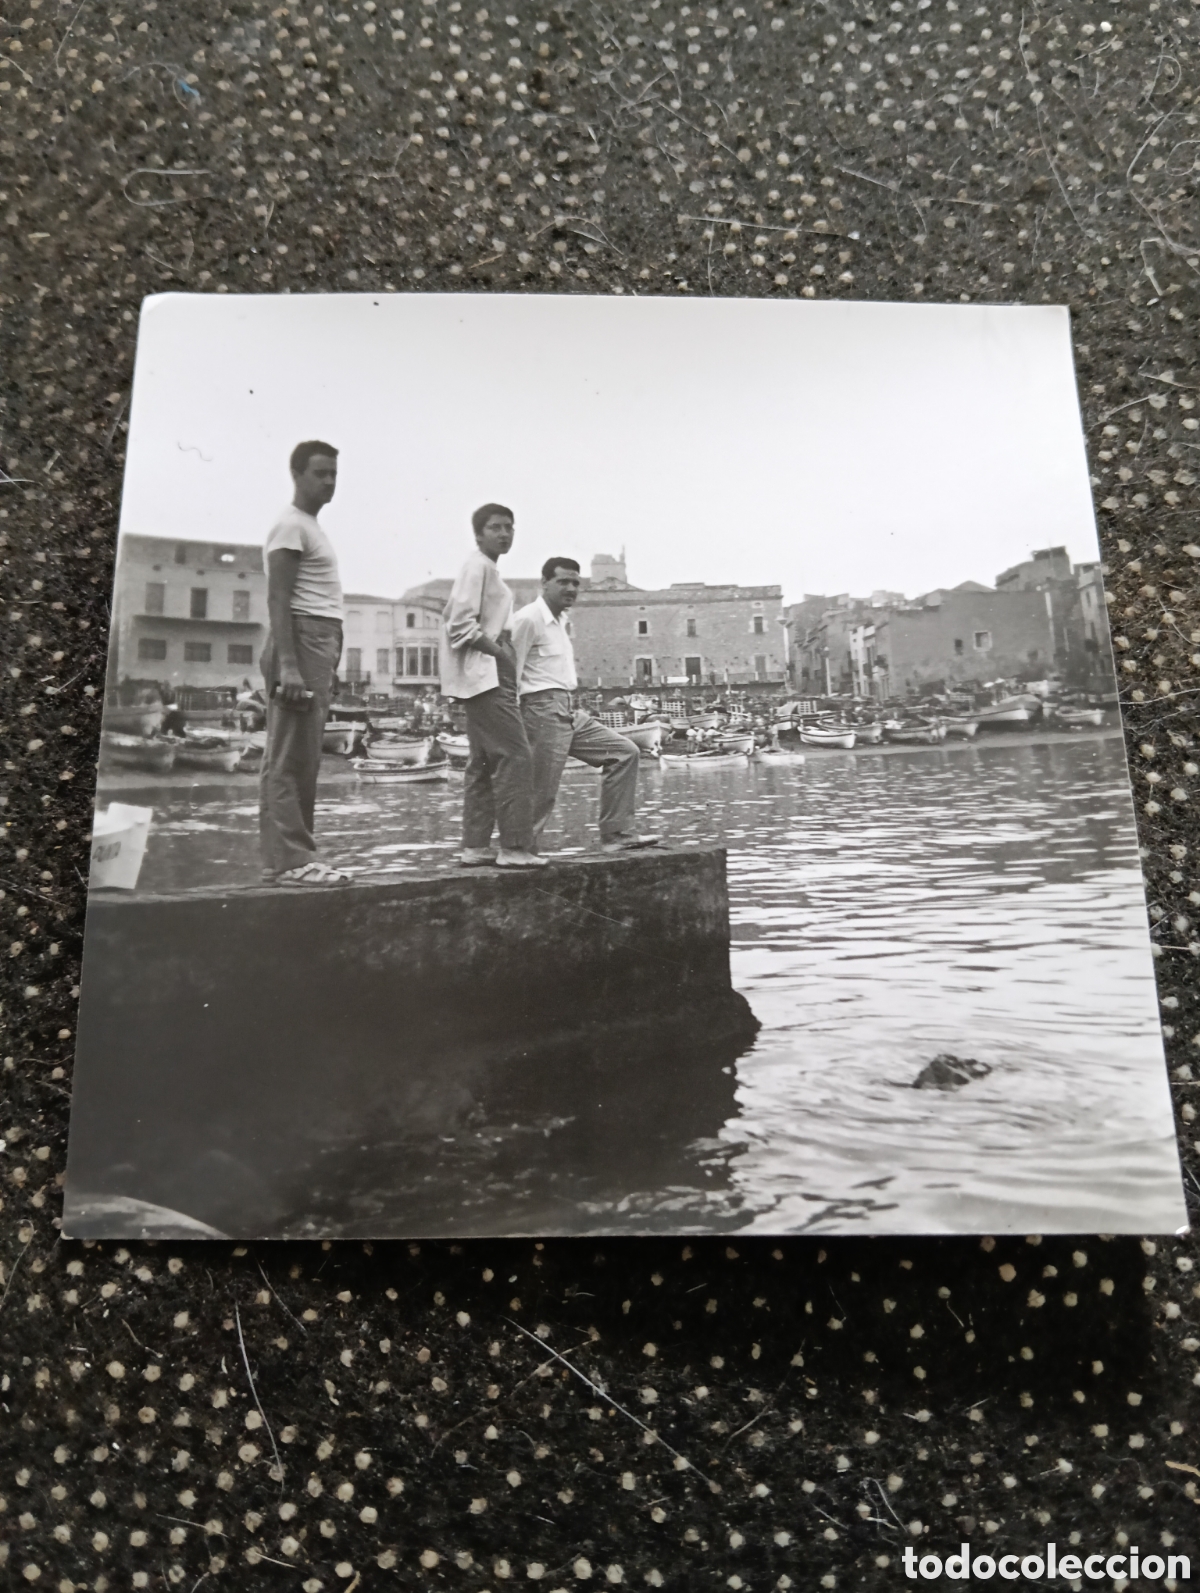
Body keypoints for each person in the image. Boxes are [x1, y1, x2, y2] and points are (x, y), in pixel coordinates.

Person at [511, 558, 661, 854]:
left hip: (566, 708)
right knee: (542, 788)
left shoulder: (561, 621)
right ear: (544, 583)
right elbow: (509, 674)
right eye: (563, 581)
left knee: (624, 753)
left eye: (575, 583)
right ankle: (519, 852)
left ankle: (616, 834)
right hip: (539, 708)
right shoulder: (528, 619)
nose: (570, 588)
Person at [258, 440, 350, 885]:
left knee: (302, 754)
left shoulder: (309, 526)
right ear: (297, 475)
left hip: (317, 641)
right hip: (301, 638)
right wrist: (291, 666)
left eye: (334, 473)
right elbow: (279, 598)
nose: (330, 481)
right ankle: (293, 861)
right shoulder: (290, 526)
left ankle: (290, 859)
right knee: (291, 756)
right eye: (321, 473)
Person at [440, 504, 545, 869]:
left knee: (482, 763)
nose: (504, 534)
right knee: (516, 755)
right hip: (486, 676)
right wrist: (500, 653)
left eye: (510, 528)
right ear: (478, 534)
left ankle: (475, 845)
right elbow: (459, 626)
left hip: (481, 677)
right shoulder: (478, 566)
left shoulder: (485, 568)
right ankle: (515, 847)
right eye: (495, 527)